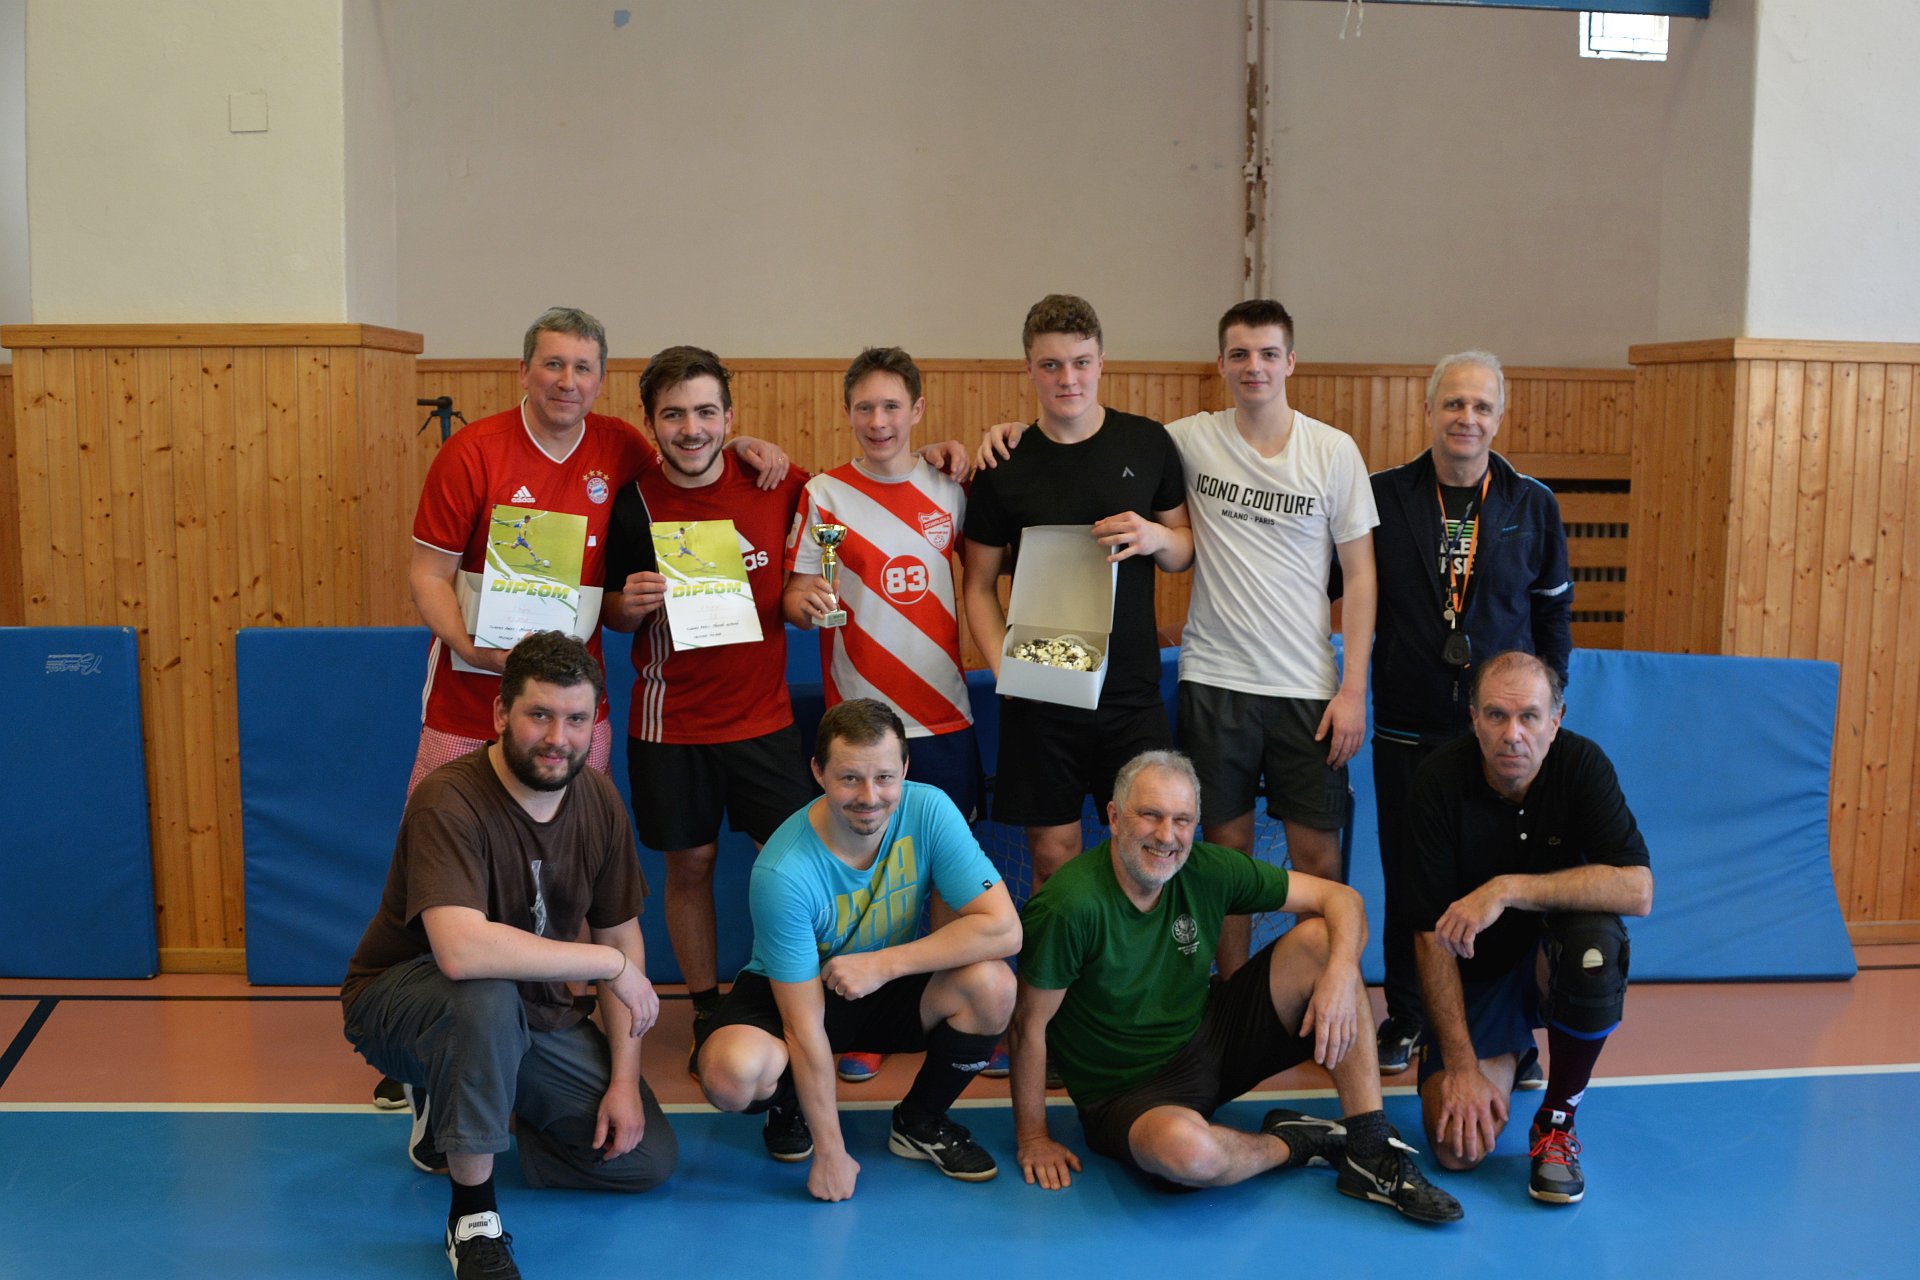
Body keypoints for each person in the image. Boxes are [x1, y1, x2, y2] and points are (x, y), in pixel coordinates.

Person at [982, 300, 1377, 974]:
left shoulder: (1324, 449)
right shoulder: (1184, 439)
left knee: (1311, 856)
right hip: (1207, 680)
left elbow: (1357, 574)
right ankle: (1219, 1000)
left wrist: (1353, 688)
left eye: (1268, 353)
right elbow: (1073, 439)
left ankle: (1318, 993)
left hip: (1300, 684)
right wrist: (1009, 434)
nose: (1254, 367)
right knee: (1216, 857)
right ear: (1220, 363)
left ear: (1290, 361)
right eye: (1240, 354)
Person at [341, 632, 678, 1280]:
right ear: (500, 713)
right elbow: (461, 952)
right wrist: (608, 967)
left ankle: (466, 1105)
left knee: (642, 1159)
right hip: (406, 999)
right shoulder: (448, 800)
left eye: (576, 719)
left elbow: (620, 934)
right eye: (539, 715)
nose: (558, 738)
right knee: (486, 996)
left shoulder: (599, 801)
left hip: (531, 1014)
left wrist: (623, 1082)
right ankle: (472, 1219)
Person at [1011, 750, 1462, 1223]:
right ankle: (1295, 1141)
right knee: (1189, 1156)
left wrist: (1343, 972)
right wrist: (1033, 1137)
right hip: (1126, 1094)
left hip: (1210, 1039)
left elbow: (1341, 898)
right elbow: (1027, 1026)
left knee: (1324, 942)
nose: (1166, 836)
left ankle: (1370, 1148)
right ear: (1115, 817)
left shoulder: (1206, 869)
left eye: (1182, 820)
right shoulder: (1069, 906)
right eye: (1150, 815)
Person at [406, 307, 789, 794]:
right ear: (523, 371)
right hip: (470, 698)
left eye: (583, 368)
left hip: (575, 708)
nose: (568, 381)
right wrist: (470, 649)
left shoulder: (621, 446)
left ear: (600, 381)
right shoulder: (471, 452)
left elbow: (686, 460)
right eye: (553, 364)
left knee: (577, 835)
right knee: (445, 830)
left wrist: (736, 445)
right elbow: (428, 575)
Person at [693, 698, 1021, 1201]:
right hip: (798, 991)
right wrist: (831, 1154)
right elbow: (803, 1027)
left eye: (884, 777)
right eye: (849, 778)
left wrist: (884, 964)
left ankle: (920, 1120)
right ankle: (789, 1106)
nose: (870, 797)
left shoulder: (930, 809)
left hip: (884, 977)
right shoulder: (783, 871)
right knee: (729, 1074)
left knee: (994, 984)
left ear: (904, 769)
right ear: (818, 773)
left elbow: (1004, 930)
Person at [600, 345, 815, 1044]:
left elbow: (845, 508)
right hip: (671, 725)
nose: (690, 429)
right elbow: (608, 609)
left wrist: (934, 457)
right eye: (673, 415)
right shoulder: (632, 502)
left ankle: (792, 999)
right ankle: (705, 1010)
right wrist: (626, 606)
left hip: (764, 721)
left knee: (790, 868)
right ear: (650, 423)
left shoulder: (776, 481)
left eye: (704, 412)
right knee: (689, 865)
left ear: (729, 415)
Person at [1369, 350, 1573, 1075]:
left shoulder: (1532, 503)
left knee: (1501, 879)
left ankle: (1508, 1030)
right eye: (1454, 403)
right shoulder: (1382, 497)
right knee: (1410, 877)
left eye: (1481, 406)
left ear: (1499, 417)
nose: (1467, 417)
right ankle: (1407, 1016)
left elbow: (1553, 618)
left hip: (1500, 732)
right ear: (1429, 410)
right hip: (1406, 724)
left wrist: (1546, 713)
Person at [784, 346, 982, 1086]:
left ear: (918, 410)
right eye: (864, 407)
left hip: (944, 717)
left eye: (892, 406)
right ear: (847, 413)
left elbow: (986, 579)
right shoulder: (825, 495)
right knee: (866, 884)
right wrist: (804, 602)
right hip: (859, 727)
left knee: (947, 878)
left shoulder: (951, 488)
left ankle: (946, 1011)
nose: (878, 420)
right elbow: (797, 592)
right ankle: (864, 1022)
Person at [962, 294, 1192, 893]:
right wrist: (1007, 670)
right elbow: (978, 585)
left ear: (1101, 361)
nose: (1068, 379)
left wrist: (1154, 536)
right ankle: (1055, 962)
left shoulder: (1146, 442)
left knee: (1149, 854)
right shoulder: (1004, 462)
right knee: (1053, 859)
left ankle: (1136, 961)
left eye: (1081, 362)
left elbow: (1183, 551)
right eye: (1051, 365)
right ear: (1029, 368)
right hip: (1041, 694)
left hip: (1131, 692)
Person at [1408, 650, 1652, 1204]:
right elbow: (1428, 936)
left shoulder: (1582, 766)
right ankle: (1512, 1049)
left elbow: (1638, 890)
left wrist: (1507, 889)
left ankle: (1557, 1120)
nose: (1512, 734)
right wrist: (1462, 1067)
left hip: (1552, 959)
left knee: (1594, 948)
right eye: (1496, 715)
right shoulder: (1437, 781)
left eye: (1529, 717)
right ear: (1474, 719)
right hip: (1478, 972)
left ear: (1556, 720)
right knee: (1457, 1150)